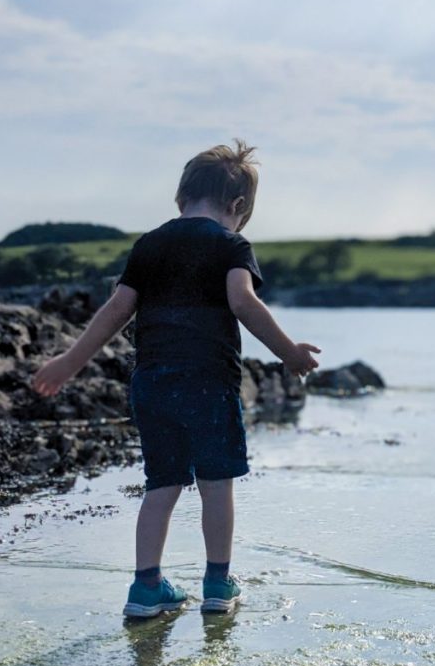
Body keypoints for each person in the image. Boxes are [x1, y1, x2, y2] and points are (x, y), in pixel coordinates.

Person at [31, 140, 321, 619]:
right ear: (238, 207)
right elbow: (244, 303)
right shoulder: (231, 245)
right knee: (215, 484)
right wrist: (288, 352)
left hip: (152, 384)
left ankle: (146, 588)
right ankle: (217, 584)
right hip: (208, 383)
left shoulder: (149, 244)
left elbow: (116, 310)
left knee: (161, 485)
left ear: (179, 198)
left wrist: (69, 361)